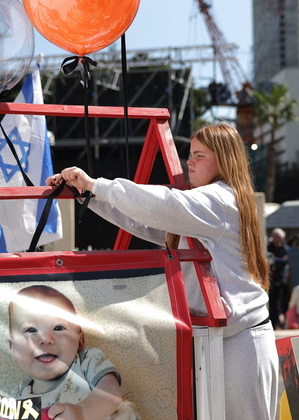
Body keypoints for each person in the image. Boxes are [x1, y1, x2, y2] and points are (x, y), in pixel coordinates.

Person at [48, 123, 279, 420]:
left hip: (240, 343)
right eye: (190, 154)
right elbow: (144, 222)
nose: (189, 162)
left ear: (224, 159)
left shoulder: (219, 199)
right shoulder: (208, 203)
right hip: (219, 339)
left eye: (199, 155)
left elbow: (161, 205)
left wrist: (95, 186)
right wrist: (88, 194)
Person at [8, 284, 139, 420]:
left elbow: (110, 392)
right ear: (13, 348)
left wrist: (82, 413)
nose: (46, 339)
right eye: (31, 330)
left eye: (58, 328)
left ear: (80, 341)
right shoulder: (19, 396)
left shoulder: (86, 361)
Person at [267, 228, 290, 328]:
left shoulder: (285, 248)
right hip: (271, 279)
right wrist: (278, 260)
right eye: (276, 237)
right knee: (272, 303)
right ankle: (273, 323)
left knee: (282, 302)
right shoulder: (269, 247)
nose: (278, 240)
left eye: (280, 238)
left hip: (282, 280)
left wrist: (274, 260)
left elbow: (286, 261)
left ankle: (283, 323)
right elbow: (267, 259)